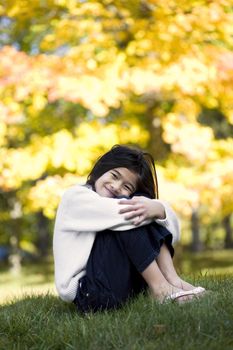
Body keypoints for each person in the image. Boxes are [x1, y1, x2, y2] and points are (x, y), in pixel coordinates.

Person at [53, 145, 205, 313]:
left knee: (141, 204)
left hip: (122, 282)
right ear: (101, 170)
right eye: (114, 176)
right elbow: (127, 213)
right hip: (89, 293)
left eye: (127, 186)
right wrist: (155, 209)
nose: (116, 186)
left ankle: (173, 280)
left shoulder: (118, 201)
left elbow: (174, 233)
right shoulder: (75, 197)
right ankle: (161, 288)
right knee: (133, 210)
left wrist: (158, 209)